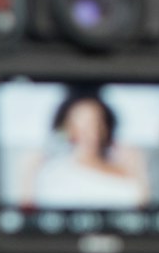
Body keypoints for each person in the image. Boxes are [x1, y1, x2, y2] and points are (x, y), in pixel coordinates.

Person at [18, 88, 151, 209]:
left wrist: (138, 171)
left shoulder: (127, 168)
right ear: (67, 128)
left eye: (97, 123)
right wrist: (28, 173)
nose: (92, 133)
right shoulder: (54, 173)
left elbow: (143, 212)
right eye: (83, 125)